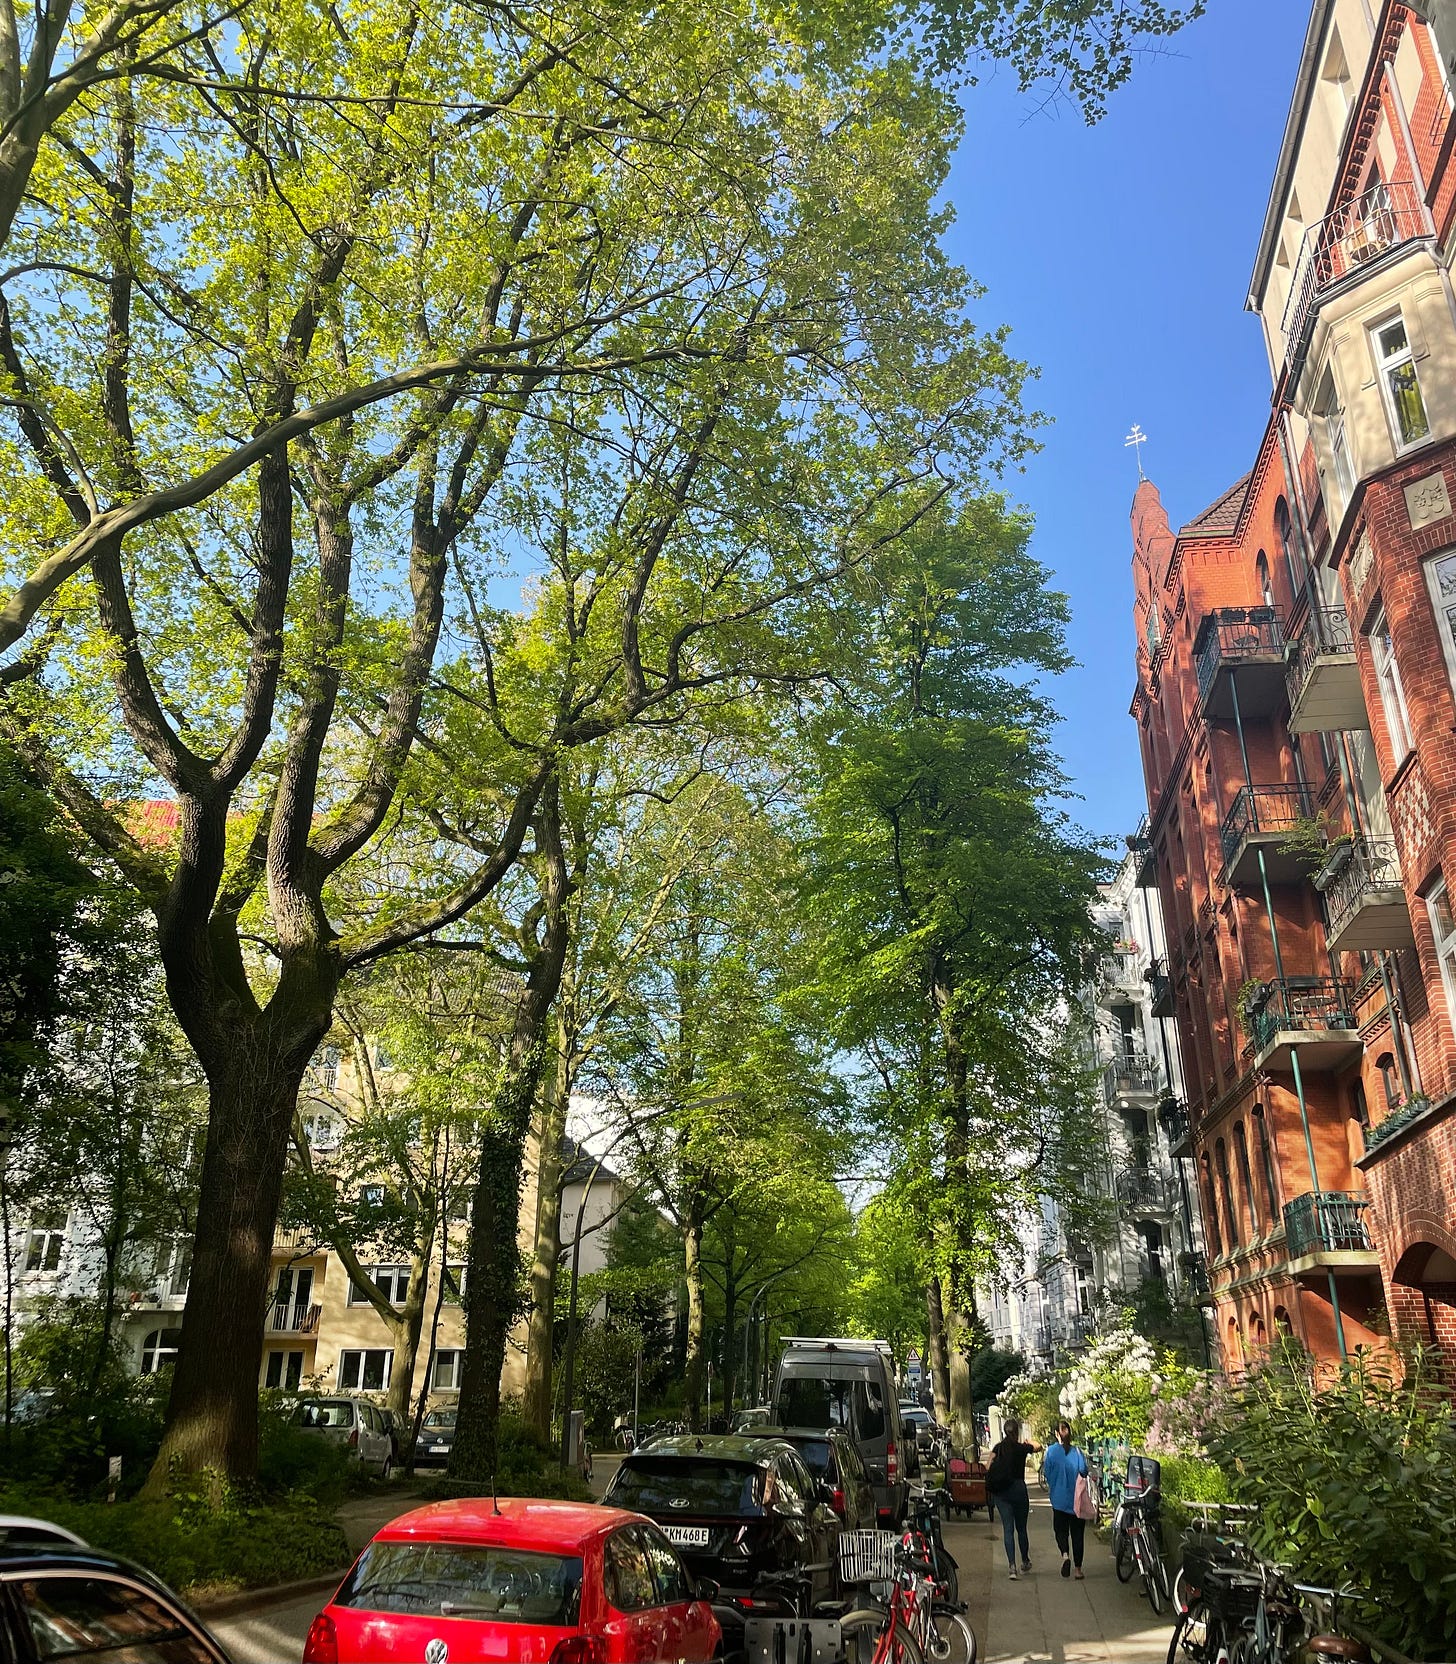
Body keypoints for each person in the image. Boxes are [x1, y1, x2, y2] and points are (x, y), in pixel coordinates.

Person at [985, 1417, 1039, 1579]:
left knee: (1008, 1529)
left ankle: (1012, 1567)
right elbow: (1039, 1446)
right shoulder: (1021, 1448)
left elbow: (987, 1466)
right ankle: (1025, 1561)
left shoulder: (998, 1447)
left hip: (1002, 1492)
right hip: (1018, 1489)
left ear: (1004, 1431)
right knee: (1021, 1529)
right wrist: (1028, 1442)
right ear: (1017, 1432)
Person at [1042, 1418, 1090, 1579]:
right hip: (1076, 1500)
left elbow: (1047, 1473)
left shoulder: (1051, 1451)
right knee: (1078, 1535)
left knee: (1060, 1531)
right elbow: (1084, 1471)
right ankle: (1078, 1570)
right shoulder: (1077, 1452)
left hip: (1058, 1499)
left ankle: (1065, 1555)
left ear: (1057, 1434)